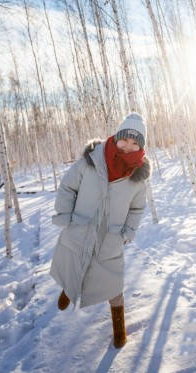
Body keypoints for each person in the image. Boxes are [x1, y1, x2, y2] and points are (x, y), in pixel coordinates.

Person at [50, 113, 150, 349]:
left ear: (141, 145)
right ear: (117, 137)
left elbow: (137, 208)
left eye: (135, 142)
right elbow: (68, 187)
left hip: (111, 237)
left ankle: (119, 328)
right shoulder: (91, 162)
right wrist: (66, 216)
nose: (128, 146)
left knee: (113, 285)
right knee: (75, 264)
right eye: (125, 139)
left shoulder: (138, 179)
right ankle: (67, 292)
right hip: (80, 229)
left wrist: (127, 233)